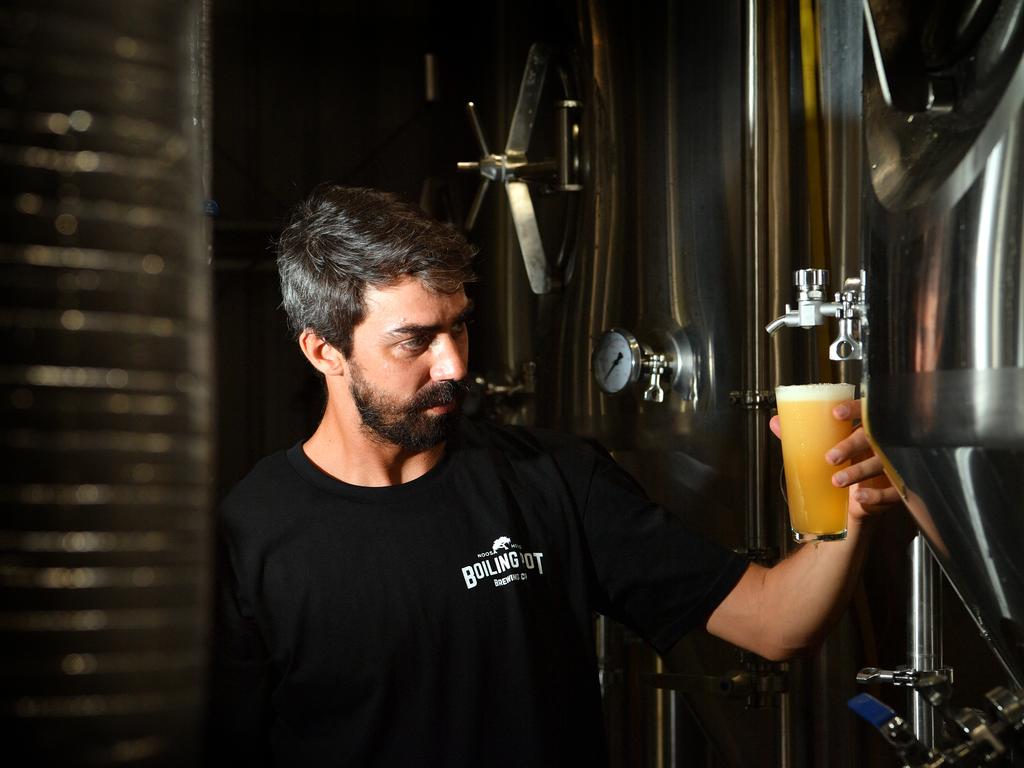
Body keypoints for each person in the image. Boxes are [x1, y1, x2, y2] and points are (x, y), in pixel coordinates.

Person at [209, 184, 900, 767]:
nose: (452, 365)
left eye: (459, 328)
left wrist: (852, 510)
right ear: (324, 350)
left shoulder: (552, 479)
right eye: (415, 340)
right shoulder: (251, 534)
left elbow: (775, 624)